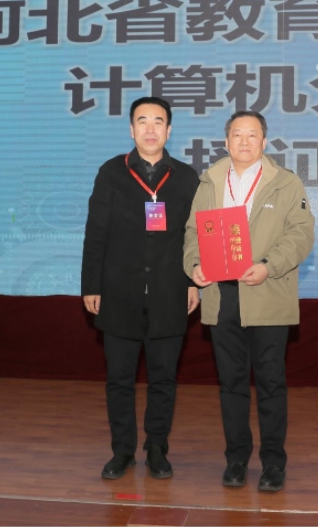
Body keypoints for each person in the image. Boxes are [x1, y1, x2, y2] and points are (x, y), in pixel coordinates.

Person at [183, 110, 315, 492]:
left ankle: (273, 463)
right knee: (231, 384)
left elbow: (301, 234)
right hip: (222, 295)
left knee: (271, 382)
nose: (244, 141)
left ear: (264, 141)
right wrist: (194, 265)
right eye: (237, 134)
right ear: (226, 142)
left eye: (252, 135)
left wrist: (268, 266)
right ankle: (236, 459)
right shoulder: (209, 181)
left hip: (266, 292)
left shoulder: (285, 182)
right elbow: (192, 232)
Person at [81, 96, 200, 480]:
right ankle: (122, 451)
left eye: (158, 121)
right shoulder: (111, 172)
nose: (151, 129)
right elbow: (96, 232)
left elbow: (193, 237)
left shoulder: (186, 177)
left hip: (170, 292)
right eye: (143, 121)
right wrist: (91, 284)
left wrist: (192, 281)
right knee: (120, 380)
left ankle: (157, 449)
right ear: (131, 130)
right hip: (119, 292)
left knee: (164, 379)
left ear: (169, 129)